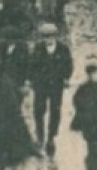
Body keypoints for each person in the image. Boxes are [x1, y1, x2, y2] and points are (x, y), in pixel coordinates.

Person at [27, 22, 74, 157]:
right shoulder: (38, 48)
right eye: (45, 37)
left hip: (56, 86)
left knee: (55, 111)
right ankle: (40, 135)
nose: (48, 39)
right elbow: (32, 65)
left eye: (50, 36)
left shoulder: (63, 49)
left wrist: (66, 78)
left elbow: (69, 65)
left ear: (55, 36)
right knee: (38, 110)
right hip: (40, 86)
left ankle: (51, 137)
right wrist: (31, 80)